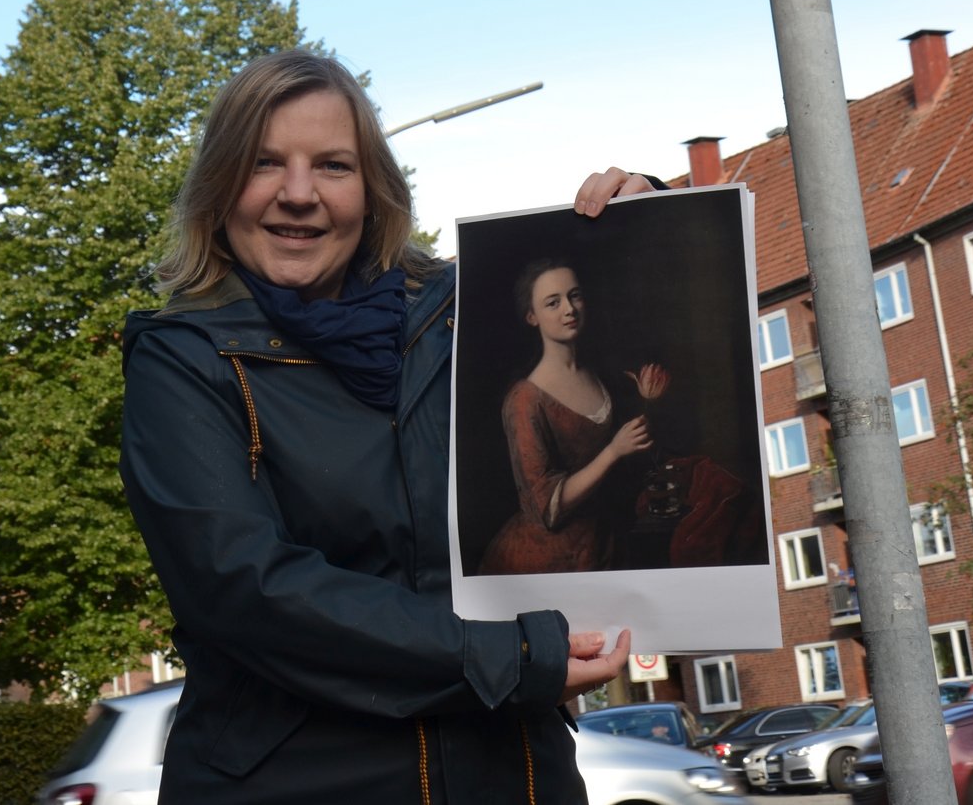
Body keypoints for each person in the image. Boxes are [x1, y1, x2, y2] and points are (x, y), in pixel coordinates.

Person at [119, 49, 656, 805]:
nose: (299, 194)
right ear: (219, 188)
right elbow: (245, 588)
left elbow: (613, 327)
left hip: (515, 777)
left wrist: (644, 217)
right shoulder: (182, 360)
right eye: (265, 163)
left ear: (372, 193)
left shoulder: (455, 321)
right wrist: (512, 654)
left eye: (333, 166)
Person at [479, 261, 656, 574]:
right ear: (532, 317)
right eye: (553, 302)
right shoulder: (524, 399)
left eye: (575, 296)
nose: (569, 309)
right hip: (549, 559)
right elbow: (546, 510)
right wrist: (614, 451)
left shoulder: (599, 374)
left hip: (605, 542)